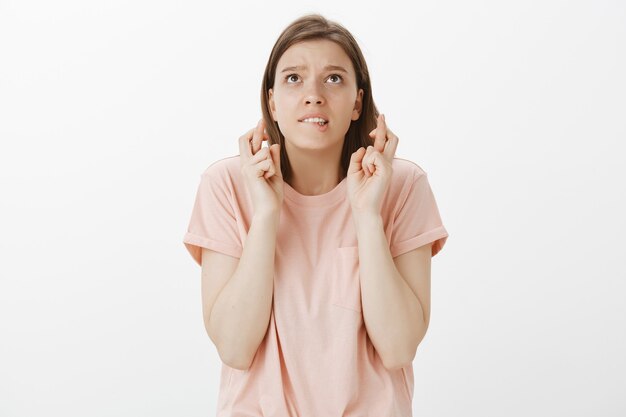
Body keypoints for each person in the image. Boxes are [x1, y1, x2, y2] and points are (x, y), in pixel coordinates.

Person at [182, 13, 449, 417]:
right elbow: (235, 348)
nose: (313, 95)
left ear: (358, 102)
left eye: (334, 78)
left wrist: (367, 215)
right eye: (293, 78)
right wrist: (267, 214)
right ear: (272, 100)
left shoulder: (403, 185)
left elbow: (398, 348)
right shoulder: (226, 185)